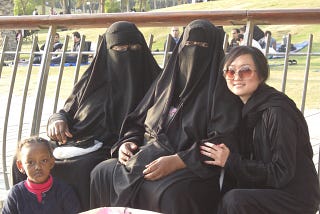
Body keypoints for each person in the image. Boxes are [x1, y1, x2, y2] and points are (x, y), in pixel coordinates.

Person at [90, 19, 242, 214]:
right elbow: (138, 120)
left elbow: (222, 140)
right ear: (180, 48)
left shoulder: (221, 93)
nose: (194, 51)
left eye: (202, 46)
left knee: (168, 193)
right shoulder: (164, 83)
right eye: (189, 45)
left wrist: (178, 160)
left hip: (192, 166)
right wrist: (126, 143)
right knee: (101, 172)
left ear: (213, 52)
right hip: (147, 154)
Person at [12, 21, 161, 212]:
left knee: (81, 169)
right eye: (119, 48)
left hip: (112, 146)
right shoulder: (93, 79)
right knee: (22, 159)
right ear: (107, 51)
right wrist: (57, 120)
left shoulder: (156, 82)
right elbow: (67, 110)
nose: (127, 52)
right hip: (74, 141)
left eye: (134, 47)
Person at [200, 46, 320, 214]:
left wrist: (231, 161)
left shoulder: (277, 111)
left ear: (261, 74)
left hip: (295, 196)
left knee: (234, 200)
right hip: (268, 188)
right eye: (230, 71)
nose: (236, 77)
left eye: (245, 71)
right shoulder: (242, 108)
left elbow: (281, 172)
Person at [3, 136, 81, 214]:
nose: (38, 167)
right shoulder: (15, 195)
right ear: (21, 166)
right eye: (30, 162)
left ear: (51, 162)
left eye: (44, 161)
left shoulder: (63, 191)